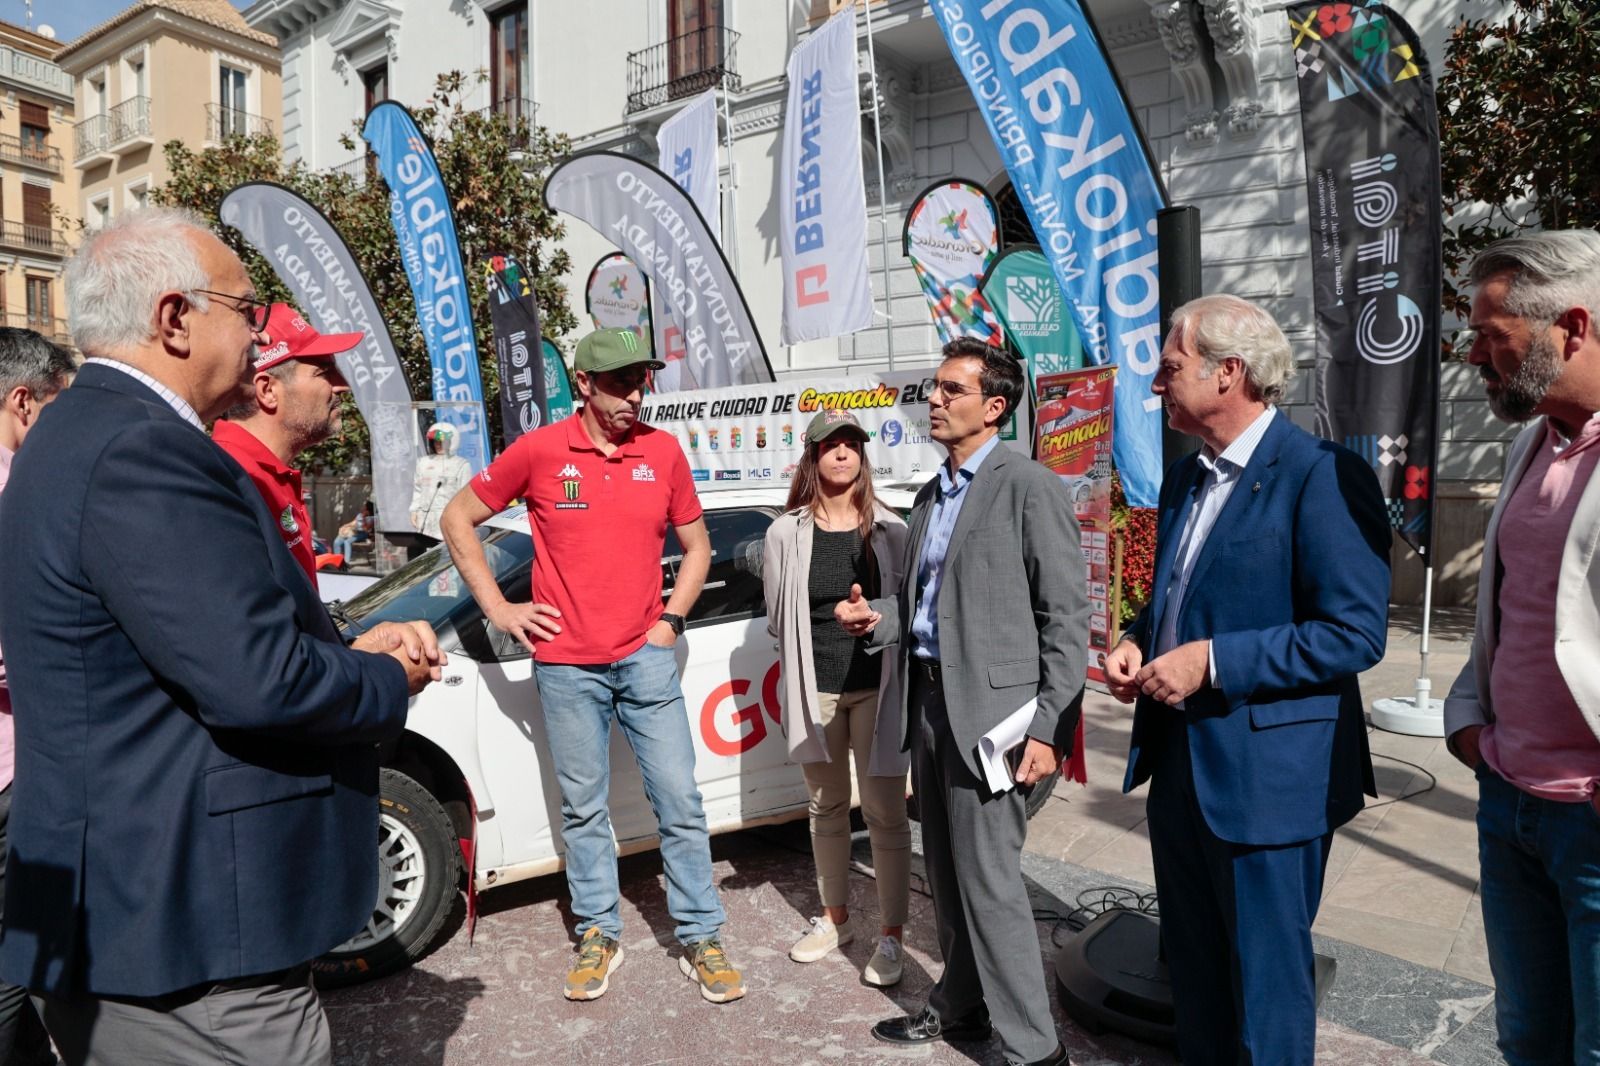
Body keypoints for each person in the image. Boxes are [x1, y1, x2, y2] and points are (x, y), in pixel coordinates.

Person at [0, 207, 443, 1065]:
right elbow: (259, 681)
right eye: (246, 309)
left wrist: (340, 656)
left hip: (135, 907)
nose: (258, 331)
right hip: (189, 924)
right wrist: (388, 681)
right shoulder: (143, 450)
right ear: (174, 318)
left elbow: (191, 650)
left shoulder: (73, 436)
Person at [1103, 294, 1389, 1066]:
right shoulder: (1184, 479)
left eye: (1168, 369)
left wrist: (1213, 661)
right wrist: (1138, 642)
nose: (1154, 386)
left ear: (1228, 373)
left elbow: (1355, 634)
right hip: (1180, 768)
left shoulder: (1321, 474)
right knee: (1196, 979)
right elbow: (1176, 597)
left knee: (1266, 993)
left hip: (1270, 784)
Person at [438, 326, 745, 1005]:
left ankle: (700, 933)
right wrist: (500, 609)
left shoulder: (661, 453)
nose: (636, 395)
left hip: (646, 659)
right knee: (583, 810)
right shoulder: (542, 450)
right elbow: (458, 517)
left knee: (680, 802)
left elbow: (696, 548)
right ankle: (599, 932)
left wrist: (671, 621)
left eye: (641, 381)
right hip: (567, 667)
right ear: (584, 383)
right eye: (620, 383)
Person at [837, 339, 1086, 1066]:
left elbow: (1066, 621)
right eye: (934, 389)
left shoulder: (1027, 485)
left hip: (998, 723)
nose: (935, 401)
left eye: (951, 390)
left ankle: (1035, 1050)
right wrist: (878, 618)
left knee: (991, 886)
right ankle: (964, 1008)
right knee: (945, 876)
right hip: (931, 706)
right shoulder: (931, 492)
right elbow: (927, 605)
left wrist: (1049, 726)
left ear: (995, 406)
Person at [1444, 230, 1600, 1066]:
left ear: (1570, 327)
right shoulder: (1529, 440)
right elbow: (1512, 605)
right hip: (1510, 799)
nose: (1473, 354)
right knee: (1528, 1041)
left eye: (1490, 333)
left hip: (1591, 818)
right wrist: (1470, 723)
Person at [762, 408, 911, 985]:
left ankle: (892, 936)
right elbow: (778, 615)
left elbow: (906, 611)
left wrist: (871, 617)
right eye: (831, 444)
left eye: (853, 443)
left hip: (877, 688)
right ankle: (835, 919)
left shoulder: (892, 529)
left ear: (863, 456)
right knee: (825, 808)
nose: (843, 452)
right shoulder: (784, 531)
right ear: (812, 456)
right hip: (815, 690)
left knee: (885, 814)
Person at [0, 328, 73, 1066]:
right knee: (17, 963)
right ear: (23, 402)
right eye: (62, 407)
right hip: (14, 769)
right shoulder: (13, 493)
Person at [213, 302, 360, 580]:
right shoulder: (228, 480)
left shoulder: (268, 474)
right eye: (323, 371)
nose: (342, 384)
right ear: (267, 390)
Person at [411, 422, 472, 542]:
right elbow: (418, 489)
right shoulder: (423, 463)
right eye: (435, 441)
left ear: (452, 441)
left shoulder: (461, 465)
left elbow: (464, 495)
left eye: (442, 441)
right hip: (426, 520)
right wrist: (414, 511)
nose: (438, 444)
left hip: (449, 517)